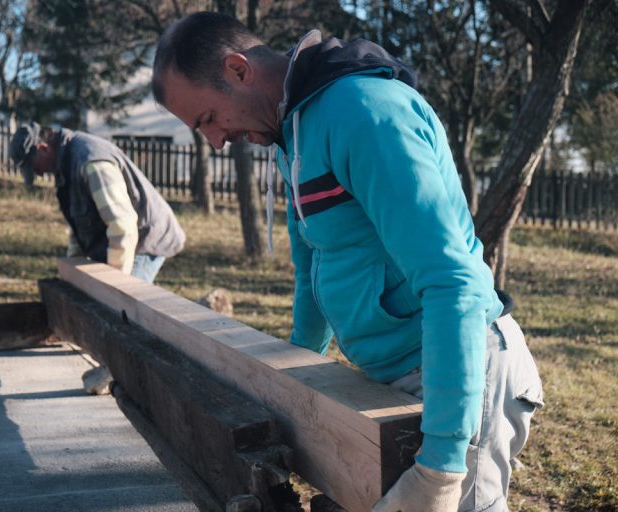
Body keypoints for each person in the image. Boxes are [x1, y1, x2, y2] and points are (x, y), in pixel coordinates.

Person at [152, 12, 543, 512]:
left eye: (207, 118)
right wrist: (295, 373)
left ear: (237, 70)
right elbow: (313, 261)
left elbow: (452, 283)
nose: (214, 140)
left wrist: (442, 465)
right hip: (390, 376)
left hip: (461, 375)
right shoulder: (291, 135)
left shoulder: (364, 113)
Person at [9, 123, 185, 283]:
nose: (38, 174)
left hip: (146, 237)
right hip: (123, 235)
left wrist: (116, 284)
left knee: (122, 307)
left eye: (34, 167)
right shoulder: (66, 164)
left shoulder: (91, 162)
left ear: (43, 148)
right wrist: (73, 267)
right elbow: (80, 219)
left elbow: (122, 224)